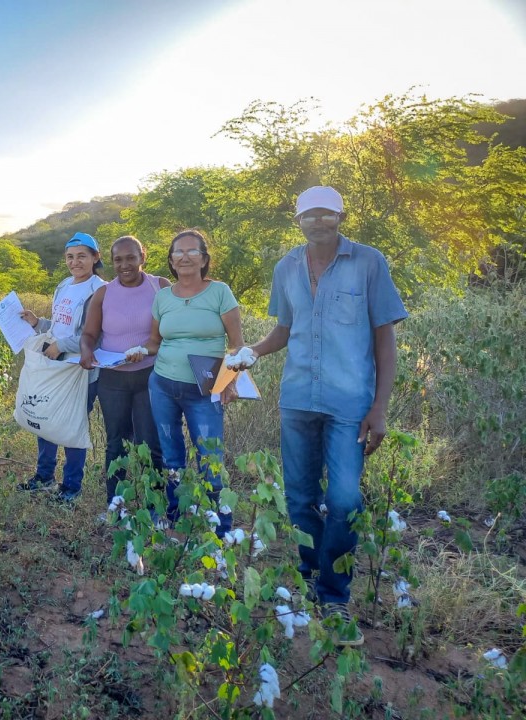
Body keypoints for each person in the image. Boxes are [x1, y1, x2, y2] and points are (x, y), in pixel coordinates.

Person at [228, 186, 407, 645]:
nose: (317, 221)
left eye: (326, 214)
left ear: (341, 215)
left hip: (350, 405)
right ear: (298, 218)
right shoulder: (286, 266)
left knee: (345, 500)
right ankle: (309, 578)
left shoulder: (369, 262)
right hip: (297, 400)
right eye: (309, 214)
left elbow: (384, 339)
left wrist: (380, 407)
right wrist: (253, 352)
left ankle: (334, 595)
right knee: (300, 497)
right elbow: (286, 328)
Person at [128, 229, 243, 529]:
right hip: (163, 384)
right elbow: (154, 341)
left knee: (210, 456)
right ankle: (176, 516)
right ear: (170, 260)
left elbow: (237, 346)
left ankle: (222, 529)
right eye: (178, 252)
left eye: (193, 251)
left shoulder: (220, 292)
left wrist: (231, 379)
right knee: (170, 454)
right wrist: (140, 350)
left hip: (205, 389)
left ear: (204, 258)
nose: (185, 257)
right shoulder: (163, 297)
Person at [79, 236, 169, 503]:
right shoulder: (104, 293)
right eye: (118, 259)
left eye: (131, 257)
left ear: (144, 256)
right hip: (113, 379)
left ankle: (154, 505)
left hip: (150, 376)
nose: (125, 265)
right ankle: (115, 504)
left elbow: (172, 329)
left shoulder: (160, 287)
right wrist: (86, 351)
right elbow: (89, 334)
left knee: (150, 442)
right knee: (116, 443)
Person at [18, 232, 106, 502]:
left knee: (71, 426)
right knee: (45, 419)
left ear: (95, 257)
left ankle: (71, 487)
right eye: (70, 256)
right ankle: (44, 477)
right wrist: (38, 323)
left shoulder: (100, 290)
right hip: (54, 367)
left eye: (81, 256)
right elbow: (59, 326)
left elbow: (98, 335)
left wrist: (63, 346)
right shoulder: (64, 285)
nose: (75, 262)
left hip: (79, 371)